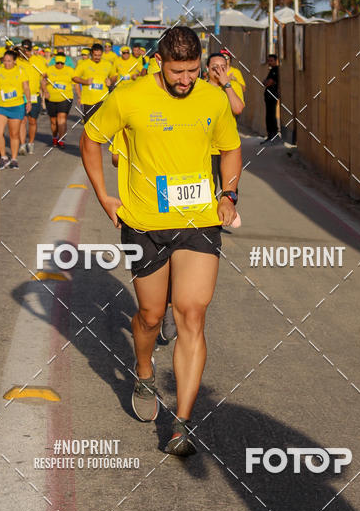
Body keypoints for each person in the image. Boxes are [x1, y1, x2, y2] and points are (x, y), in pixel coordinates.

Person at [80, 26, 242, 457]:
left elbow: (230, 148)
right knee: (151, 317)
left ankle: (182, 423)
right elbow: (90, 139)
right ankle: (144, 370)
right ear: (160, 63)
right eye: (178, 71)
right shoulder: (129, 96)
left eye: (193, 70)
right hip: (144, 224)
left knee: (191, 314)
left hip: (199, 222)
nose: (186, 79)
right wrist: (103, 196)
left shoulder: (212, 97)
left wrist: (228, 194)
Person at [206, 52, 245, 195]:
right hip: (207, 149)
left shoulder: (233, 86)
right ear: (207, 68)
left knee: (228, 194)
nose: (219, 71)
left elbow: (238, 108)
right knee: (209, 193)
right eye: (215, 67)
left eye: (223, 67)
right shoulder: (201, 89)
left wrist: (226, 84)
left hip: (227, 150)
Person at [0, 49, 31, 169]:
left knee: (14, 134)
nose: (6, 63)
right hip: (1, 106)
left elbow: (26, 87)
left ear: (14, 61)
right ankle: (3, 157)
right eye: (5, 61)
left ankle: (14, 159)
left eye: (9, 61)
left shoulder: (21, 71)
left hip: (16, 106)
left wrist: (29, 102)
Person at [73, 43, 115, 123]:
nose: (97, 57)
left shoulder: (107, 64)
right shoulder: (84, 64)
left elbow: (114, 76)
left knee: (101, 125)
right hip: (88, 101)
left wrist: (111, 80)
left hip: (103, 100)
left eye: (99, 55)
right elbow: (74, 77)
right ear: (91, 53)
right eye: (95, 55)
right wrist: (85, 81)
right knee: (89, 126)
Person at [42, 54, 76, 147]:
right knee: (53, 121)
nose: (60, 65)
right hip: (51, 99)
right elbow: (43, 81)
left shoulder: (70, 70)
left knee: (62, 118)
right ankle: (55, 137)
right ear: (55, 62)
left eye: (62, 63)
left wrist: (80, 94)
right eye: (58, 63)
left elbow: (75, 81)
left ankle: (61, 140)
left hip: (65, 98)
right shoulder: (49, 69)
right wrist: (45, 91)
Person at [17, 41, 43, 155]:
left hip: (34, 95)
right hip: (20, 95)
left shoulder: (38, 61)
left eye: (27, 50)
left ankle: (30, 143)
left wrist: (44, 90)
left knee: (32, 121)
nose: (26, 52)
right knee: (22, 120)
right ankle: (22, 144)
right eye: (24, 50)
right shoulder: (17, 61)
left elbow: (44, 77)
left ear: (31, 50)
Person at [262, 53, 280, 144]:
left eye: (271, 60)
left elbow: (268, 82)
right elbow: (265, 82)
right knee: (269, 115)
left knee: (271, 115)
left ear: (276, 61)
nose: (269, 62)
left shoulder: (276, 70)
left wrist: (266, 82)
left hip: (272, 96)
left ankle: (273, 134)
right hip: (268, 96)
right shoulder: (272, 70)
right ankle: (270, 135)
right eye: (269, 60)